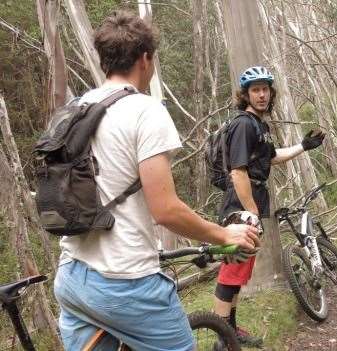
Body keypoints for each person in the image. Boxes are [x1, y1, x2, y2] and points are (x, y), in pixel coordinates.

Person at [52, 11, 260, 351]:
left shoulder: (75, 109)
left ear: (104, 59)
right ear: (146, 58)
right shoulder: (144, 110)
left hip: (73, 276)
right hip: (126, 283)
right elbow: (165, 210)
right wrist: (224, 234)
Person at [212, 66, 325, 349]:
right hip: (240, 207)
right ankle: (222, 339)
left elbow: (272, 157)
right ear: (246, 94)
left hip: (252, 202)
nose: (261, 95)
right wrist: (251, 213)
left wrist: (303, 146)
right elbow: (238, 173)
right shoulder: (243, 124)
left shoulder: (259, 126)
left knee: (240, 270)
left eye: (265, 90)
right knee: (231, 271)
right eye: (255, 90)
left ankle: (230, 329)